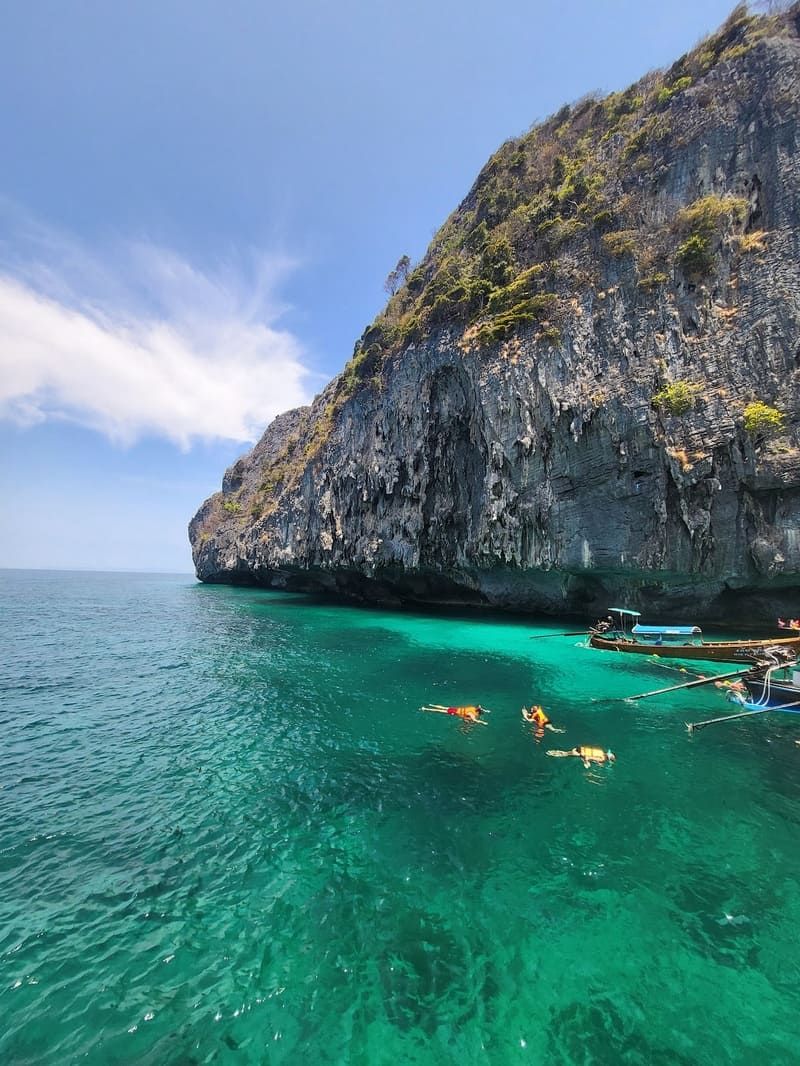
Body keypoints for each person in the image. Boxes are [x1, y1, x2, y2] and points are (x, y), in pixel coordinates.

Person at [419, 703, 488, 725]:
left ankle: (431, 705)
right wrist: (483, 722)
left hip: (456, 709)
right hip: (454, 712)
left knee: (444, 707)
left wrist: (486, 711)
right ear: (478, 713)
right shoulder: (471, 714)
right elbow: (475, 720)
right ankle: (425, 709)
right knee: (439, 711)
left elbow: (480, 707)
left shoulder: (474, 708)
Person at [546, 746, 616, 767]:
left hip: (580, 748)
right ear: (608, 759)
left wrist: (598, 763)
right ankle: (550, 753)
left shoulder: (601, 752)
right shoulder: (602, 759)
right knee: (564, 754)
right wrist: (586, 763)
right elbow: (587, 757)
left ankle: (552, 752)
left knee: (565, 753)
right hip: (579, 753)